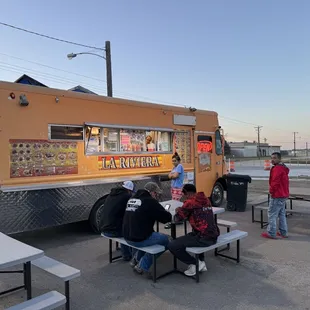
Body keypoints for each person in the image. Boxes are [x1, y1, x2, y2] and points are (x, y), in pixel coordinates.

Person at [167, 184, 220, 276]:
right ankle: (201, 261)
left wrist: (177, 210)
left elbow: (177, 219)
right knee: (190, 235)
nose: (183, 196)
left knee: (172, 245)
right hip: (213, 234)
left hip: (203, 237)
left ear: (187, 193)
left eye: (184, 194)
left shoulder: (190, 202)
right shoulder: (205, 199)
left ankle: (196, 263)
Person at [122, 182, 172, 275]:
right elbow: (166, 218)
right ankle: (142, 265)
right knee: (168, 240)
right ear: (152, 192)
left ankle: (135, 259)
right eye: (156, 193)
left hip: (126, 236)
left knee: (149, 237)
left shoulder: (132, 199)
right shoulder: (150, 201)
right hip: (138, 239)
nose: (157, 195)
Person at [100, 181, 135, 261]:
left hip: (103, 227)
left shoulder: (111, 194)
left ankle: (127, 250)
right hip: (112, 231)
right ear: (130, 190)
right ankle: (127, 255)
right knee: (130, 230)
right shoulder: (127, 197)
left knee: (123, 225)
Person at [261, 152, 289, 239]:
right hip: (283, 194)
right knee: (281, 214)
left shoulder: (277, 169)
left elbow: (275, 182)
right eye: (271, 158)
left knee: (272, 214)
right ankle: (283, 232)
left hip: (277, 194)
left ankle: (271, 233)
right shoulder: (283, 168)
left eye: (274, 158)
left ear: (279, 159)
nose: (272, 160)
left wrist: (271, 191)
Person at [165, 152, 184, 229]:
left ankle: (174, 220)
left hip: (177, 188)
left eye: (175, 161)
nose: (173, 162)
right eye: (172, 161)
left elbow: (175, 176)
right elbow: (169, 176)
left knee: (175, 204)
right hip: (173, 188)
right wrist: (172, 176)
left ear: (178, 161)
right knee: (176, 204)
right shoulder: (174, 168)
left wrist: (172, 176)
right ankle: (178, 219)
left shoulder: (179, 166)